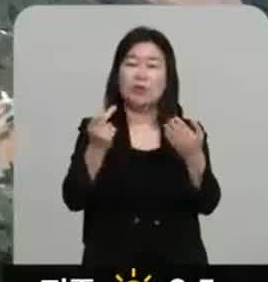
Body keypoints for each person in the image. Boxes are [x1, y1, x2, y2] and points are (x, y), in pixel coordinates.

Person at [61, 26, 220, 267]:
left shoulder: (187, 132)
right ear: (118, 74)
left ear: (168, 78)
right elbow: (73, 198)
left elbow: (208, 203)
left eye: (153, 65)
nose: (141, 74)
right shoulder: (96, 130)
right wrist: (97, 148)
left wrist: (192, 155)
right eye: (132, 63)